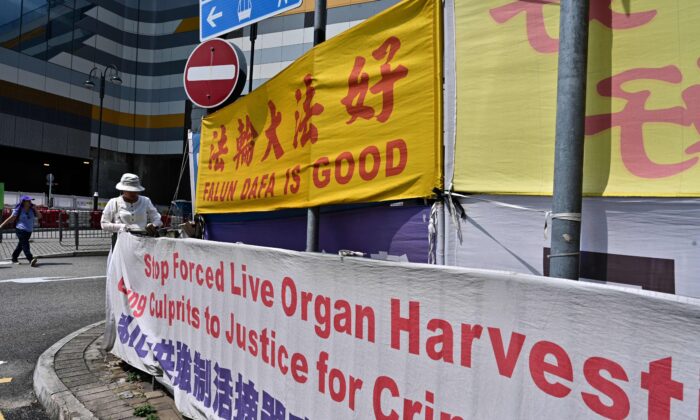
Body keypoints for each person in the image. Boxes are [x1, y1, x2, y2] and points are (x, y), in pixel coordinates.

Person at [101, 173, 162, 242]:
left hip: (142, 241)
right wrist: (121, 227)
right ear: (123, 190)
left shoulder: (146, 201)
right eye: (130, 191)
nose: (133, 193)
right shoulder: (113, 202)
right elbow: (104, 224)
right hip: (120, 243)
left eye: (135, 191)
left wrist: (154, 226)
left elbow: (157, 219)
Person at [0, 196, 39, 266]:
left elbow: (40, 216)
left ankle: (14, 257)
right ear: (23, 202)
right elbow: (11, 218)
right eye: (28, 201)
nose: (30, 202)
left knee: (21, 245)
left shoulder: (32, 210)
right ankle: (30, 259)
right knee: (25, 244)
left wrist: (36, 209)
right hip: (20, 229)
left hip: (29, 231)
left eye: (30, 201)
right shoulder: (19, 209)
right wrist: (1, 225)